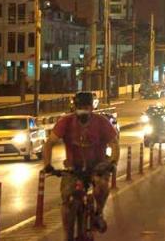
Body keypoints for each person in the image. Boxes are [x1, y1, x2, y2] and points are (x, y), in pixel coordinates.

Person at [43, 92, 119, 234]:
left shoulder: (101, 122)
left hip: (98, 166)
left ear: (92, 107)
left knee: (101, 187)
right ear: (74, 107)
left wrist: (113, 162)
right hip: (73, 168)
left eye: (86, 106)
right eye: (79, 107)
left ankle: (98, 213)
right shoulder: (65, 122)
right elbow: (49, 143)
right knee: (67, 201)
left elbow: (114, 143)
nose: (83, 110)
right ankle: (68, 235)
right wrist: (48, 165)